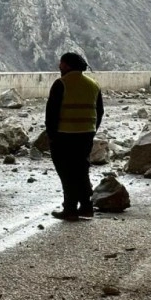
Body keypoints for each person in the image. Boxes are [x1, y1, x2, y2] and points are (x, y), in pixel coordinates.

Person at [45, 52, 104, 221]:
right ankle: (86, 207)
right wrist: (92, 129)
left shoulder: (61, 84)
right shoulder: (93, 85)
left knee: (66, 173)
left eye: (61, 64)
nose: (59, 66)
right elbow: (99, 111)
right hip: (85, 135)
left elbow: (52, 113)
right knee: (81, 170)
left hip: (63, 136)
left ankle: (69, 209)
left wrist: (51, 135)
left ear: (67, 66)